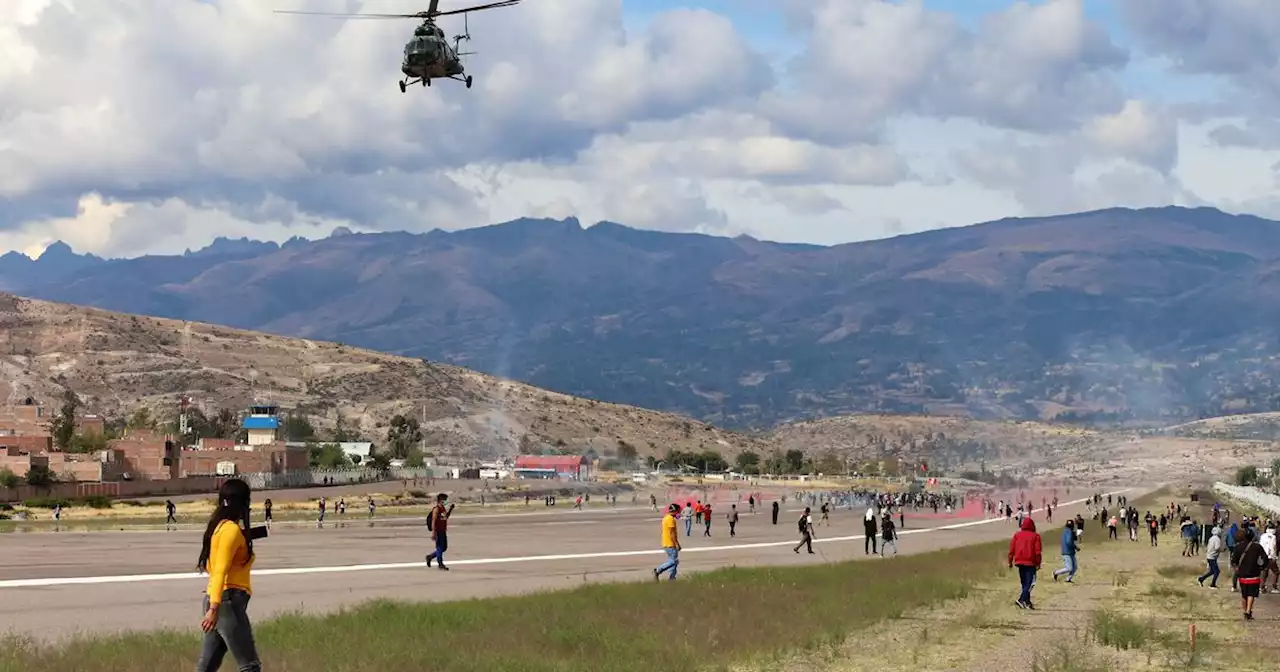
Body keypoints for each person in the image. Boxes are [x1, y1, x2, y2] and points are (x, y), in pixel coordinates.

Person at [195, 479, 261, 672]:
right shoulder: (231, 531)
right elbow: (219, 571)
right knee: (250, 666)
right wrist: (214, 609)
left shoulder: (218, 528)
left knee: (207, 666)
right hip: (226, 603)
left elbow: (211, 566)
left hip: (219, 600)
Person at [1008, 517, 1042, 609]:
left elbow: (1011, 549)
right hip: (1030, 562)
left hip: (1019, 561)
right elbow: (1037, 552)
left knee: (1024, 583)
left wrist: (1010, 561)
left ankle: (1027, 602)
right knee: (1031, 583)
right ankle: (1021, 599)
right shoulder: (1036, 536)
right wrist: (1038, 563)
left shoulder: (1017, 535)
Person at [1237, 529, 1267, 620]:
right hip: (1254, 574)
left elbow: (1234, 560)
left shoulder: (1238, 547)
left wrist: (1237, 570)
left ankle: (1245, 610)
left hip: (1242, 574)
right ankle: (1248, 612)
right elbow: (1265, 558)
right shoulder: (1257, 547)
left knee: (1244, 594)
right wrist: (1262, 567)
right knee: (1251, 594)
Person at [425, 493, 454, 571]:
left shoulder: (443, 508)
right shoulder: (436, 509)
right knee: (440, 548)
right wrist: (434, 532)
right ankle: (440, 564)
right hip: (438, 531)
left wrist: (451, 509)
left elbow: (446, 517)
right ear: (441, 500)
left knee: (444, 548)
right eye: (445, 499)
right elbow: (433, 522)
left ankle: (430, 557)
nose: (446, 501)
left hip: (443, 530)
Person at [654, 504, 681, 581]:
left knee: (672, 561)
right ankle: (658, 570)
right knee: (674, 561)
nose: (678, 513)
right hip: (670, 543)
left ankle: (672, 578)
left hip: (666, 543)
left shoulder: (666, 518)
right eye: (678, 511)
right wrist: (677, 544)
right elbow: (672, 534)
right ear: (674, 510)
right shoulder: (670, 519)